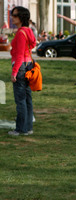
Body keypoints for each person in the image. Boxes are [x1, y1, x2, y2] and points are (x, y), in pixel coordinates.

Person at [8, 6, 36, 136]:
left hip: (20, 67)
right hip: (28, 65)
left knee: (20, 100)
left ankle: (20, 129)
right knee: (27, 99)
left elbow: (19, 55)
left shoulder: (20, 33)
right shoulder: (28, 31)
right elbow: (32, 45)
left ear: (21, 17)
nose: (12, 17)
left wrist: (14, 73)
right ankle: (28, 127)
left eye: (14, 15)